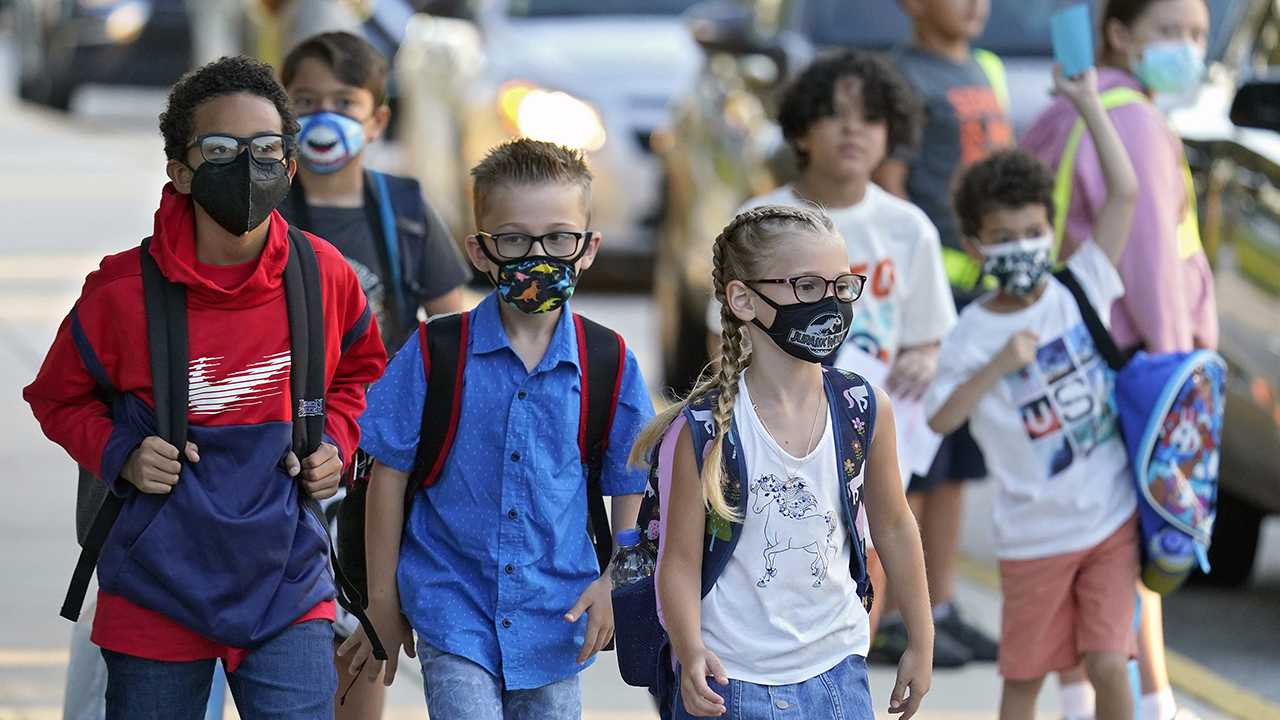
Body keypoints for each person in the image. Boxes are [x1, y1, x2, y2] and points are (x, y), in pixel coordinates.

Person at [23, 56, 387, 719]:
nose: (246, 166)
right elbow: (56, 397)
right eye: (220, 149)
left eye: (266, 149)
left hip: (287, 585)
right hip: (155, 592)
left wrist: (334, 439)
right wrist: (120, 453)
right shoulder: (122, 293)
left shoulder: (323, 276)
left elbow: (362, 371)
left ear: (290, 165)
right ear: (181, 171)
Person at [338, 139, 656, 719]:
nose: (538, 256)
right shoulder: (437, 351)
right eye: (514, 239)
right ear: (481, 250)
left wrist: (616, 581)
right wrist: (381, 599)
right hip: (450, 603)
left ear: (588, 248)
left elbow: (630, 483)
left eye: (559, 238)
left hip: (557, 616)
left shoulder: (608, 361)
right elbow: (388, 474)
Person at [705, 50, 954, 653]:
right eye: (834, 115)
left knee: (868, 551)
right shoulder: (758, 222)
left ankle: (846, 659)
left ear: (892, 132)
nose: (852, 130)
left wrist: (924, 358)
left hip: (868, 430)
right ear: (800, 130)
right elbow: (723, 337)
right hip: (775, 428)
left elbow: (930, 332)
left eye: (869, 118)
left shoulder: (908, 228)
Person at [653, 205, 934, 719]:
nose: (830, 303)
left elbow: (895, 525)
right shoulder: (706, 429)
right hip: (732, 683)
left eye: (842, 286)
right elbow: (679, 561)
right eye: (807, 286)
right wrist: (689, 651)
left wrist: (922, 637)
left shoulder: (864, 408)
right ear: (743, 299)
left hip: (838, 674)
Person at [925, 65, 1140, 720]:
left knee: (1109, 663)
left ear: (1051, 229)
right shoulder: (970, 332)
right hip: (1033, 538)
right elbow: (940, 419)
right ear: (975, 247)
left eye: (1032, 233)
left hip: (1109, 518)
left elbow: (1125, 194)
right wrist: (996, 367)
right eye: (1003, 238)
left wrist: (1088, 105)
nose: (1021, 248)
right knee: (1023, 681)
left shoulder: (1081, 286)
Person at [1021, 3, 1216, 719]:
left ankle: (1097, 700)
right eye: (1169, 31)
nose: (1187, 48)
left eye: (1197, 34)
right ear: (1119, 34)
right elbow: (1152, 259)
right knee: (1130, 548)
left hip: (1062, 355)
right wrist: (1175, 369)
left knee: (1083, 543)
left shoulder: (1064, 112)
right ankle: (1149, 704)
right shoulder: (1134, 121)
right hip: (1134, 364)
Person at [278, 31, 471, 719]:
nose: (323, 118)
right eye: (305, 102)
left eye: (343, 103)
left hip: (374, 456)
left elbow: (453, 332)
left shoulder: (405, 210)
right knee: (286, 624)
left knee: (360, 619)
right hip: (283, 447)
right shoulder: (260, 208)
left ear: (378, 118)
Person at [870, 0, 1014, 668]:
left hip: (981, 290)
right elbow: (893, 189)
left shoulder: (987, 67)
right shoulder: (902, 78)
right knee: (917, 457)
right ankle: (895, 610)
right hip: (931, 293)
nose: (975, 4)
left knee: (958, 457)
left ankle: (943, 601)